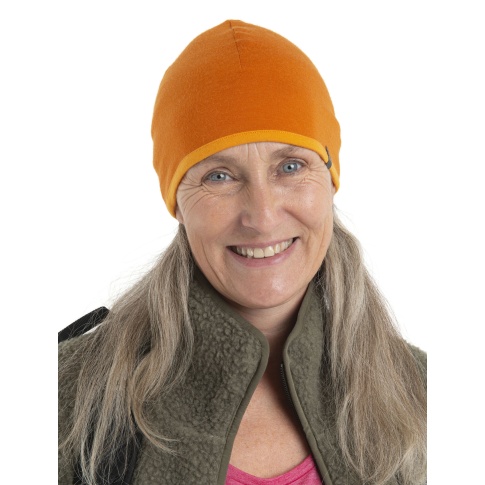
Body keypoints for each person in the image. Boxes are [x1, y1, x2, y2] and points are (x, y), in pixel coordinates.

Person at [58, 19, 427, 485]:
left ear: (330, 180)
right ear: (177, 203)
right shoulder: (69, 395)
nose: (263, 216)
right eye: (219, 176)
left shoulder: (424, 394)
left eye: (290, 166)